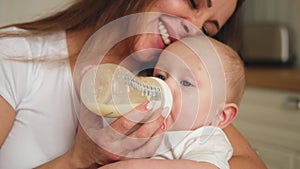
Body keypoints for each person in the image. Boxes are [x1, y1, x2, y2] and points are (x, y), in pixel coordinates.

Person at [0, 0, 267, 169]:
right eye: (193, 2)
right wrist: (78, 159)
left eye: (208, 29)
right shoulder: (13, 56)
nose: (194, 29)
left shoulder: (175, 96)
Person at [100, 35, 245, 169]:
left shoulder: (204, 139)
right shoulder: (141, 121)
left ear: (221, 115)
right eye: (161, 77)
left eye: (186, 83)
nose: (166, 87)